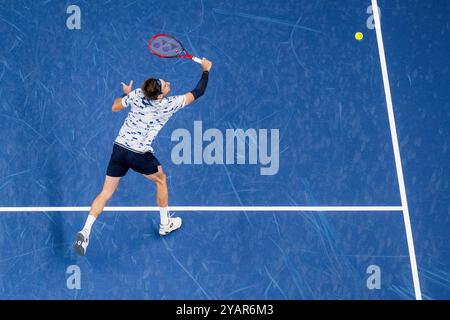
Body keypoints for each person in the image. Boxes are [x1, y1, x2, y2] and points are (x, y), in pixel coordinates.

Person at [74, 58, 213, 256]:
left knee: (105, 193)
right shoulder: (169, 104)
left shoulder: (138, 94)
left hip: (119, 150)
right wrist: (206, 71)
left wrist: (127, 96)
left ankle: (85, 230)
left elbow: (114, 107)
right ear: (158, 97)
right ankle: (165, 223)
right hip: (139, 155)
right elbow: (198, 92)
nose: (166, 82)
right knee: (161, 179)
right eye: (164, 85)